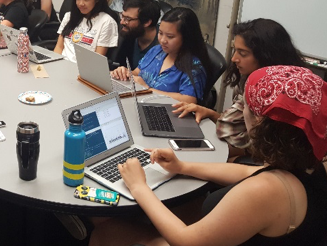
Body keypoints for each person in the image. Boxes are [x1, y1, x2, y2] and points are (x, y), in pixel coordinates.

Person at [90, 65, 327, 246]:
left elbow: (185, 240)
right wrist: (182, 166)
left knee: (106, 232)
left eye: (245, 105)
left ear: (260, 121)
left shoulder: (266, 191)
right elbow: (247, 171)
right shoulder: (307, 165)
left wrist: (138, 186)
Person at [172, 18, 305, 158]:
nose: (234, 58)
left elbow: (268, 151)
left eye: (242, 53)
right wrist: (209, 113)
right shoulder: (249, 78)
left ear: (266, 55)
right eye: (235, 50)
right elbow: (236, 126)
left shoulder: (282, 94)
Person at [111, 7, 209, 103]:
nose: (162, 40)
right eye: (160, 33)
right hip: (138, 101)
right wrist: (125, 73)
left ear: (186, 38)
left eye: (170, 37)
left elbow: (189, 100)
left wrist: (147, 90)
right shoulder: (157, 50)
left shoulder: (193, 66)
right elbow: (137, 72)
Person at [54, 0, 119, 63]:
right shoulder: (69, 16)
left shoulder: (106, 22)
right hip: (60, 65)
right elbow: (59, 48)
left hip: (82, 72)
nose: (81, 3)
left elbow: (97, 60)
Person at [112, 0, 161, 68]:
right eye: (122, 16)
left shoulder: (163, 44)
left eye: (128, 19)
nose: (122, 22)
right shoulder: (128, 35)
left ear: (146, 22)